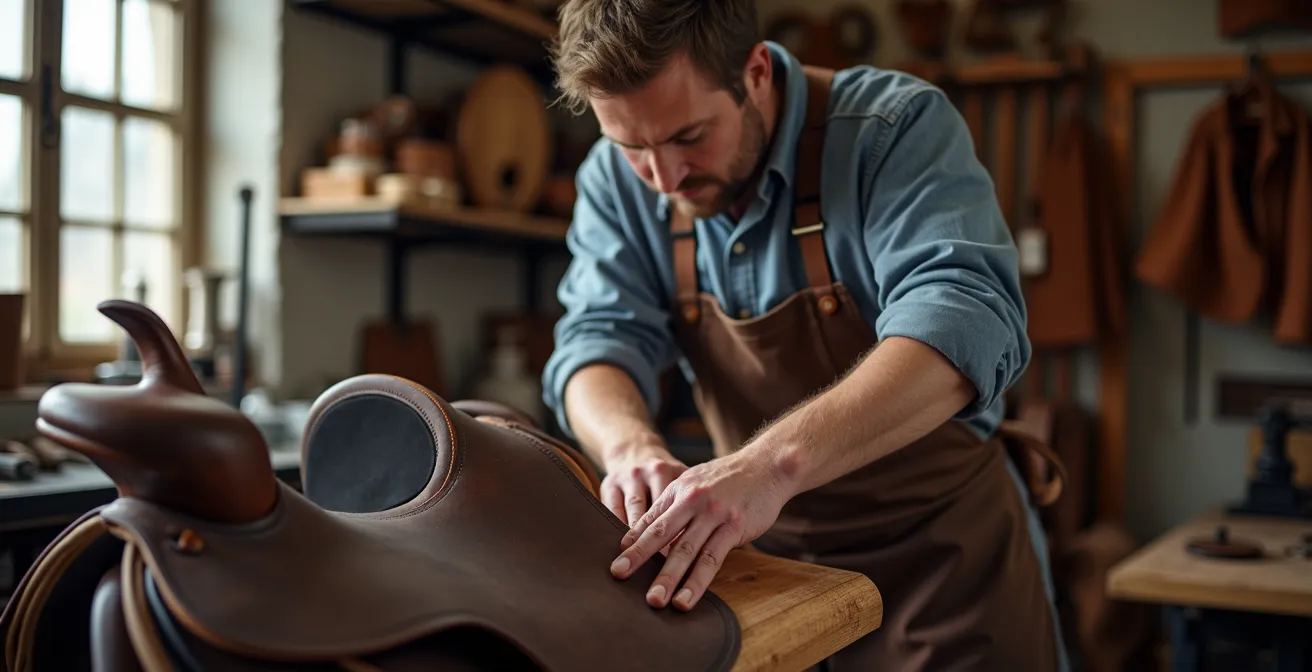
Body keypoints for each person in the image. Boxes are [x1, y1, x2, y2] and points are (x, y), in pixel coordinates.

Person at [541, 1, 1070, 669]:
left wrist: (769, 469)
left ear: (756, 72)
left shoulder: (891, 128)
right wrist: (629, 447)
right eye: (632, 148)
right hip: (763, 571)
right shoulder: (615, 182)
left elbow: (964, 317)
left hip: (946, 565)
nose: (664, 179)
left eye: (689, 136)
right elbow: (594, 340)